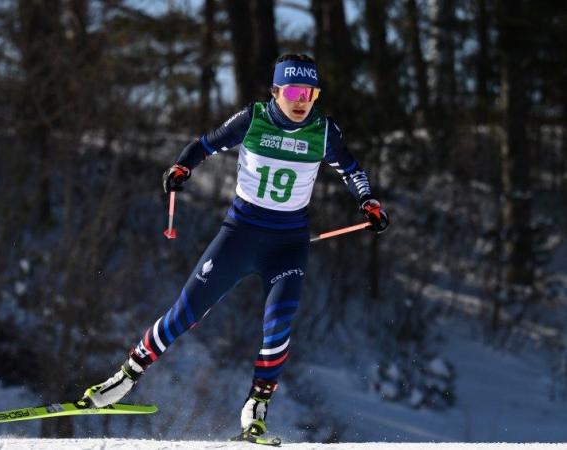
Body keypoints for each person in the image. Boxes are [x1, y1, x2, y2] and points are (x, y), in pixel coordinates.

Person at [80, 54, 389, 438]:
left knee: (279, 323)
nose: (301, 100)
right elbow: (205, 145)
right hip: (239, 235)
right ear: (276, 92)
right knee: (186, 312)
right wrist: (181, 167)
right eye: (293, 91)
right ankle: (125, 377)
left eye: (309, 93)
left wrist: (368, 201)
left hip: (288, 245)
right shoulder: (253, 119)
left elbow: (352, 170)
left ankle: (255, 408)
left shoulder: (324, 132)